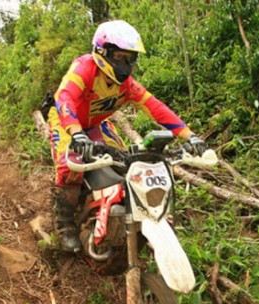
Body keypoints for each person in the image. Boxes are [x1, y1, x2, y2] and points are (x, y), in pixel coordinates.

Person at [47, 20, 208, 252]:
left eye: (130, 59)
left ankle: (120, 214)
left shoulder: (128, 86)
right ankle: (64, 226)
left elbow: (156, 107)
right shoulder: (83, 69)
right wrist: (75, 133)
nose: (126, 65)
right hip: (66, 121)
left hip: (96, 123)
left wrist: (190, 136)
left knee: (124, 162)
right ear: (103, 52)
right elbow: (64, 98)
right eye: (121, 58)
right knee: (70, 165)